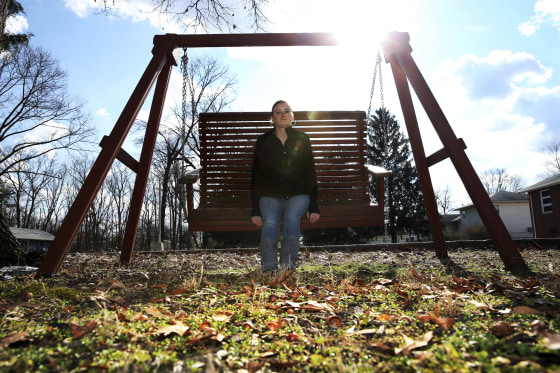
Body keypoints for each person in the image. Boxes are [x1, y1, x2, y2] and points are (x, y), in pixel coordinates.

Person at [251, 100, 320, 271]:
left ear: (292, 116)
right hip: (269, 194)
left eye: (286, 111)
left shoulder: (302, 139)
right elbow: (256, 176)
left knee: (291, 218)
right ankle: (269, 266)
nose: (283, 114)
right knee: (271, 222)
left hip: (298, 194)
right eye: (278, 112)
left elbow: (310, 172)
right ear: (272, 118)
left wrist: (313, 204)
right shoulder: (263, 141)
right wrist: (255, 209)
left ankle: (288, 265)